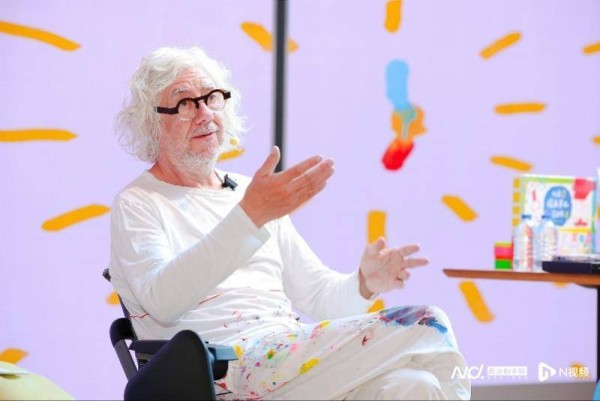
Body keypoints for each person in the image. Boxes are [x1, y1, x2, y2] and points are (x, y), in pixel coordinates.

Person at [110, 46, 470, 400]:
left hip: (286, 361)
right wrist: (249, 216)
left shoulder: (249, 194)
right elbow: (162, 301)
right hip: (220, 371)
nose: (204, 113)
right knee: (427, 323)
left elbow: (320, 298)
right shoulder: (139, 202)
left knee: (416, 384)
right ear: (151, 124)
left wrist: (364, 284)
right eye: (185, 103)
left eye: (212, 97)